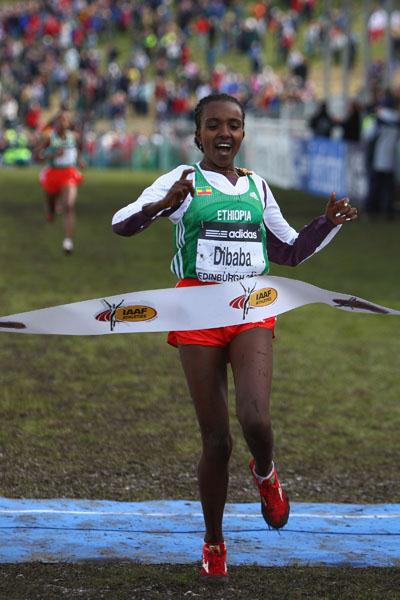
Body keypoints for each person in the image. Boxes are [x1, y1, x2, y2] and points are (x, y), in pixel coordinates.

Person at [111, 93, 358, 578]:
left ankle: (266, 474)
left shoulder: (258, 188)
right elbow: (121, 224)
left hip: (250, 309)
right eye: (214, 125)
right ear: (198, 134)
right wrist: (164, 205)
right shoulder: (181, 182)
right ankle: (214, 543)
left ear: (243, 133)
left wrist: (326, 223)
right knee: (217, 441)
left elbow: (288, 252)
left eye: (234, 125)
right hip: (196, 312)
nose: (225, 134)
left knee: (256, 420)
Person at [34, 110, 85, 254]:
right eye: (60, 120)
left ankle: (68, 241)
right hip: (53, 173)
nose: (63, 123)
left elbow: (75, 152)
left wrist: (80, 161)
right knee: (51, 207)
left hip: (68, 173)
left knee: (69, 205)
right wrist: (52, 154)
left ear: (69, 123)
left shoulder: (73, 137)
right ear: (56, 122)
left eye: (66, 120)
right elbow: (37, 156)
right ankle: (50, 210)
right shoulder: (50, 137)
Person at [363, 91, 400, 219]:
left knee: (374, 186)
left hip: (377, 157)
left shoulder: (378, 119)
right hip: (391, 159)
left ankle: (371, 210)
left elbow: (368, 135)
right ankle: (388, 210)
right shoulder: (397, 120)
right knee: (388, 188)